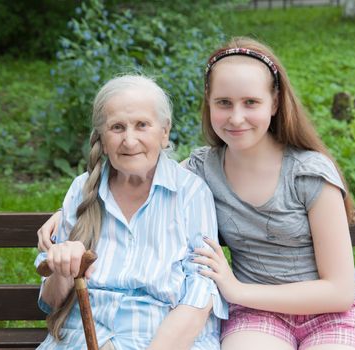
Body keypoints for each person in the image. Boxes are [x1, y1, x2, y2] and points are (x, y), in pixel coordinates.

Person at [38, 37, 355, 350]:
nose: (236, 117)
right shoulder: (204, 168)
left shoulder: (309, 173)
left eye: (251, 102)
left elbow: (338, 292)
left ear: (275, 103)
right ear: (209, 103)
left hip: (328, 313)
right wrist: (70, 214)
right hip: (259, 316)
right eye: (223, 102)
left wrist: (236, 290)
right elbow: (142, 175)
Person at [35, 74, 227, 350]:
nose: (129, 140)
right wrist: (63, 269)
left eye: (142, 125)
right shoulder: (82, 191)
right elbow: (52, 302)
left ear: (164, 132)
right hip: (82, 340)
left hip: (166, 341)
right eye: (117, 127)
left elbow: (201, 292)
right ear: (101, 135)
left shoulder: (190, 193)